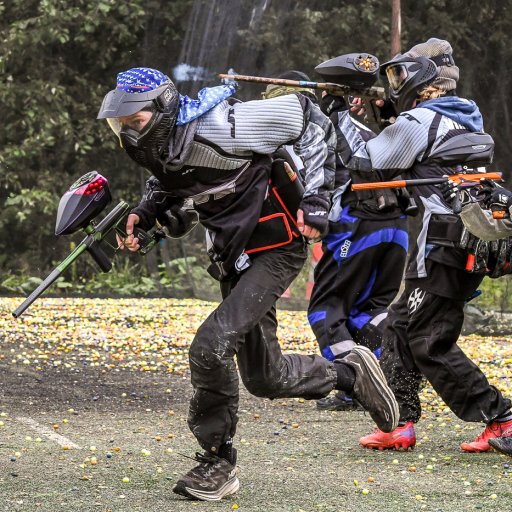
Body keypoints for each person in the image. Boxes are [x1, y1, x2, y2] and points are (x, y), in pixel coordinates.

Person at [97, 67, 399, 501]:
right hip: (235, 256)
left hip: (276, 248)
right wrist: (145, 213)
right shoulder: (162, 146)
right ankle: (349, 375)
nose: (127, 133)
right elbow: (173, 185)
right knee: (265, 378)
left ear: (162, 109)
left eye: (134, 122)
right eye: (119, 125)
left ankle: (217, 461)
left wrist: (317, 198)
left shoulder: (225, 125)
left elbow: (310, 118)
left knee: (210, 346)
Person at [329, 38, 512, 452]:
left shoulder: (420, 121)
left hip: (441, 245)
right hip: (466, 242)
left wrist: (339, 113)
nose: (394, 84)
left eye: (399, 74)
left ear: (423, 80)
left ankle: (501, 417)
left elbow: (365, 163)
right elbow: (405, 155)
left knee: (429, 340)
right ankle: (399, 422)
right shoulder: (463, 117)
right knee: (399, 327)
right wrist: (375, 115)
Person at [306, 77, 410, 412]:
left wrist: (335, 111)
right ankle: (395, 376)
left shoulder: (338, 129)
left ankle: (355, 387)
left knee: (326, 311)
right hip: (397, 229)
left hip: (358, 226)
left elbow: (355, 161)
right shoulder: (380, 130)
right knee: (369, 312)